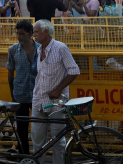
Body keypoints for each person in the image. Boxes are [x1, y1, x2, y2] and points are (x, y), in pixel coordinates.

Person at [31, 20, 80, 164]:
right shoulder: (39, 49)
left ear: (46, 32)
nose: (34, 35)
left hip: (57, 103)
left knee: (58, 141)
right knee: (37, 141)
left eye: (36, 32)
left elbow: (74, 70)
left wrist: (58, 89)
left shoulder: (60, 48)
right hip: (39, 101)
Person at [7, 20, 40, 155]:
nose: (19, 36)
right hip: (19, 94)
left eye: (22, 33)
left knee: (39, 127)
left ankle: (39, 154)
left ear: (31, 34)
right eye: (17, 33)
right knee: (21, 128)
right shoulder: (13, 50)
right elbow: (10, 73)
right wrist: (12, 94)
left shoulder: (41, 49)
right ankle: (24, 156)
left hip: (38, 94)